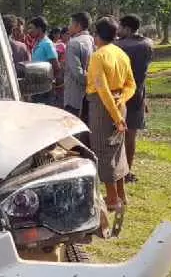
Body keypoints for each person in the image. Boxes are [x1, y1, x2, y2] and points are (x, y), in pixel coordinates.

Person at [85, 16, 136, 213]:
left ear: (97, 35)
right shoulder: (121, 54)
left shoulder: (98, 56)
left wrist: (116, 116)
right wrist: (122, 100)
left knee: (103, 151)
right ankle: (121, 194)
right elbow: (131, 84)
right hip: (119, 104)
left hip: (103, 108)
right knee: (118, 150)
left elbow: (102, 89)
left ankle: (113, 199)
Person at [116, 14, 154, 183]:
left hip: (119, 96)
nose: (118, 30)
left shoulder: (118, 46)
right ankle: (127, 172)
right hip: (138, 95)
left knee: (118, 136)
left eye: (120, 27)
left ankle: (118, 171)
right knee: (131, 136)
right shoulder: (148, 44)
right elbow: (143, 75)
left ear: (127, 28)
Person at [64, 12, 95, 122]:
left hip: (74, 95)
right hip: (90, 94)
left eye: (70, 24)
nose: (69, 27)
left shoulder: (73, 43)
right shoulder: (92, 40)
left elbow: (78, 73)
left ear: (78, 26)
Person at [27, 16, 61, 105]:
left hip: (45, 89)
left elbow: (56, 67)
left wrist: (49, 82)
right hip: (35, 87)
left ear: (39, 29)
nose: (29, 31)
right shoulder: (37, 43)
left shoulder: (47, 44)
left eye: (31, 28)